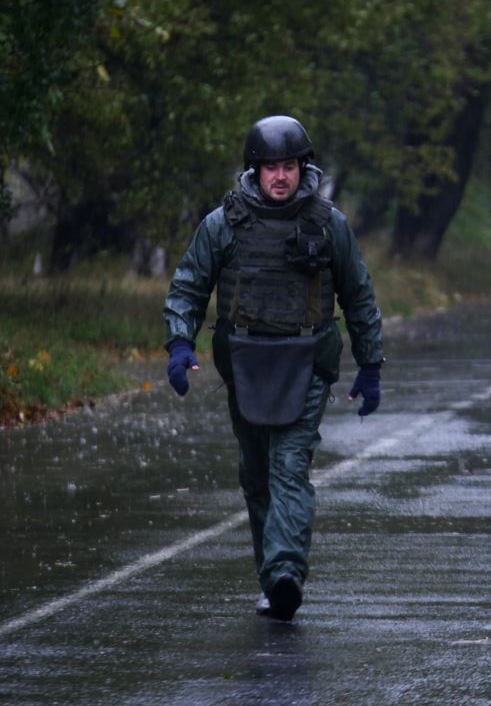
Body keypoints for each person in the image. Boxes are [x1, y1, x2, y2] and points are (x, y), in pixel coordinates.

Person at [162, 115, 384, 622]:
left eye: (289, 166)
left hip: (305, 362)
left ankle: (285, 573)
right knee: (256, 474)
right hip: (245, 365)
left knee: (288, 468)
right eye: (270, 167)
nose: (280, 176)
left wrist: (370, 365)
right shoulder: (224, 223)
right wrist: (179, 342)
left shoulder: (329, 224)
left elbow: (359, 296)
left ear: (302, 167)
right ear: (255, 170)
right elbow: (188, 286)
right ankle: (272, 578)